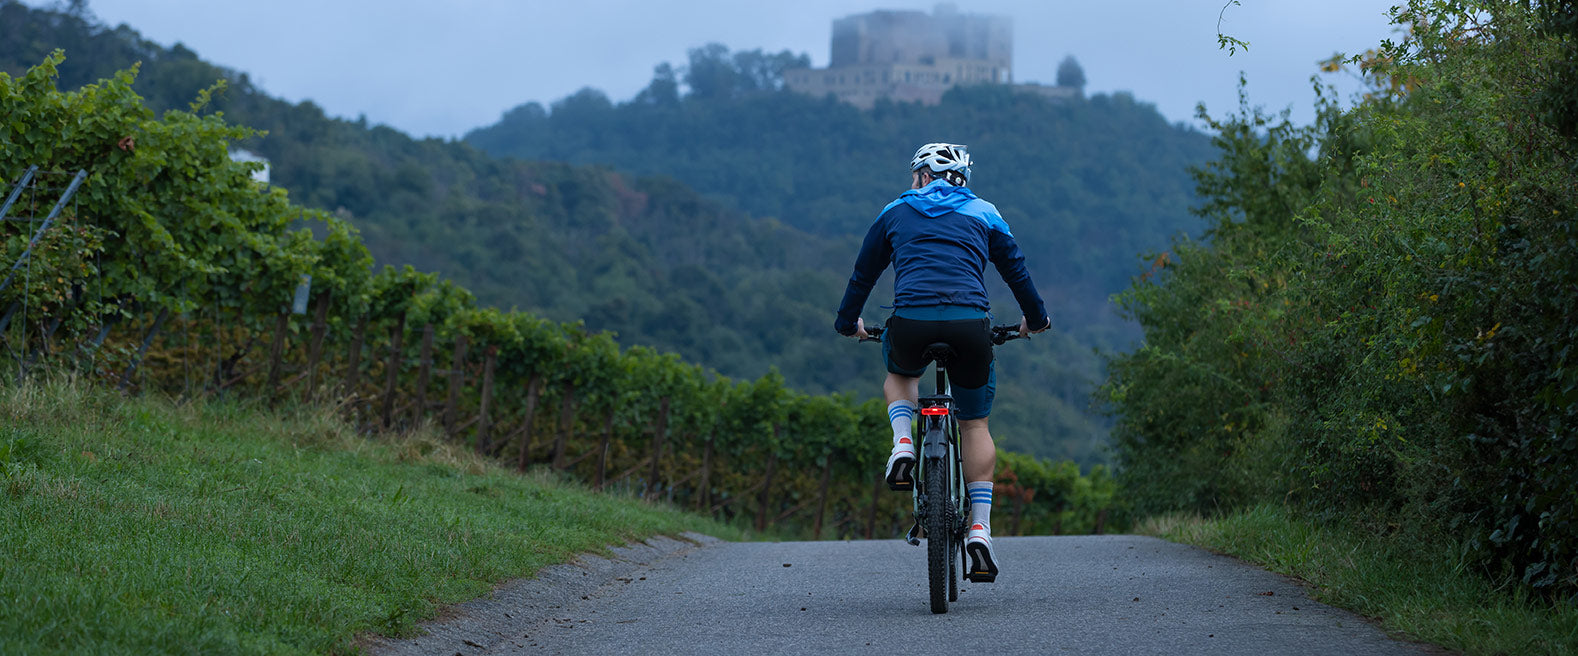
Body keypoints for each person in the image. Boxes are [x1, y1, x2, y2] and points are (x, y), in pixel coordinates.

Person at [833, 142, 1050, 582]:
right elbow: (1017, 272)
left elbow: (863, 274)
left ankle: (903, 442)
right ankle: (979, 529)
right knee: (974, 425)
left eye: (915, 174)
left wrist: (847, 323)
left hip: (911, 322)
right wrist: (1036, 319)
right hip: (971, 325)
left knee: (899, 376)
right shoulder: (986, 213)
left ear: (924, 175)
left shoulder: (894, 211)